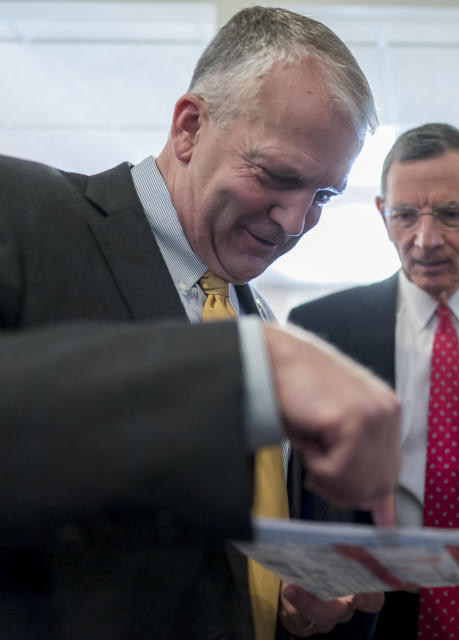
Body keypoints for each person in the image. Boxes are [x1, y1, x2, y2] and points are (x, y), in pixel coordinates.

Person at [0, 7, 400, 639]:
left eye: (322, 196)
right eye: (275, 176)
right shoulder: (23, 213)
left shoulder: (255, 314)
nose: (295, 224)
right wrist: (246, 372)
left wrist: (292, 602)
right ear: (188, 127)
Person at [287, 123, 459, 639]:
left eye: (451, 214)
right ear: (383, 214)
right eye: (405, 215)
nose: (425, 239)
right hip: (365, 610)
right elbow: (300, 487)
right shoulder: (320, 330)